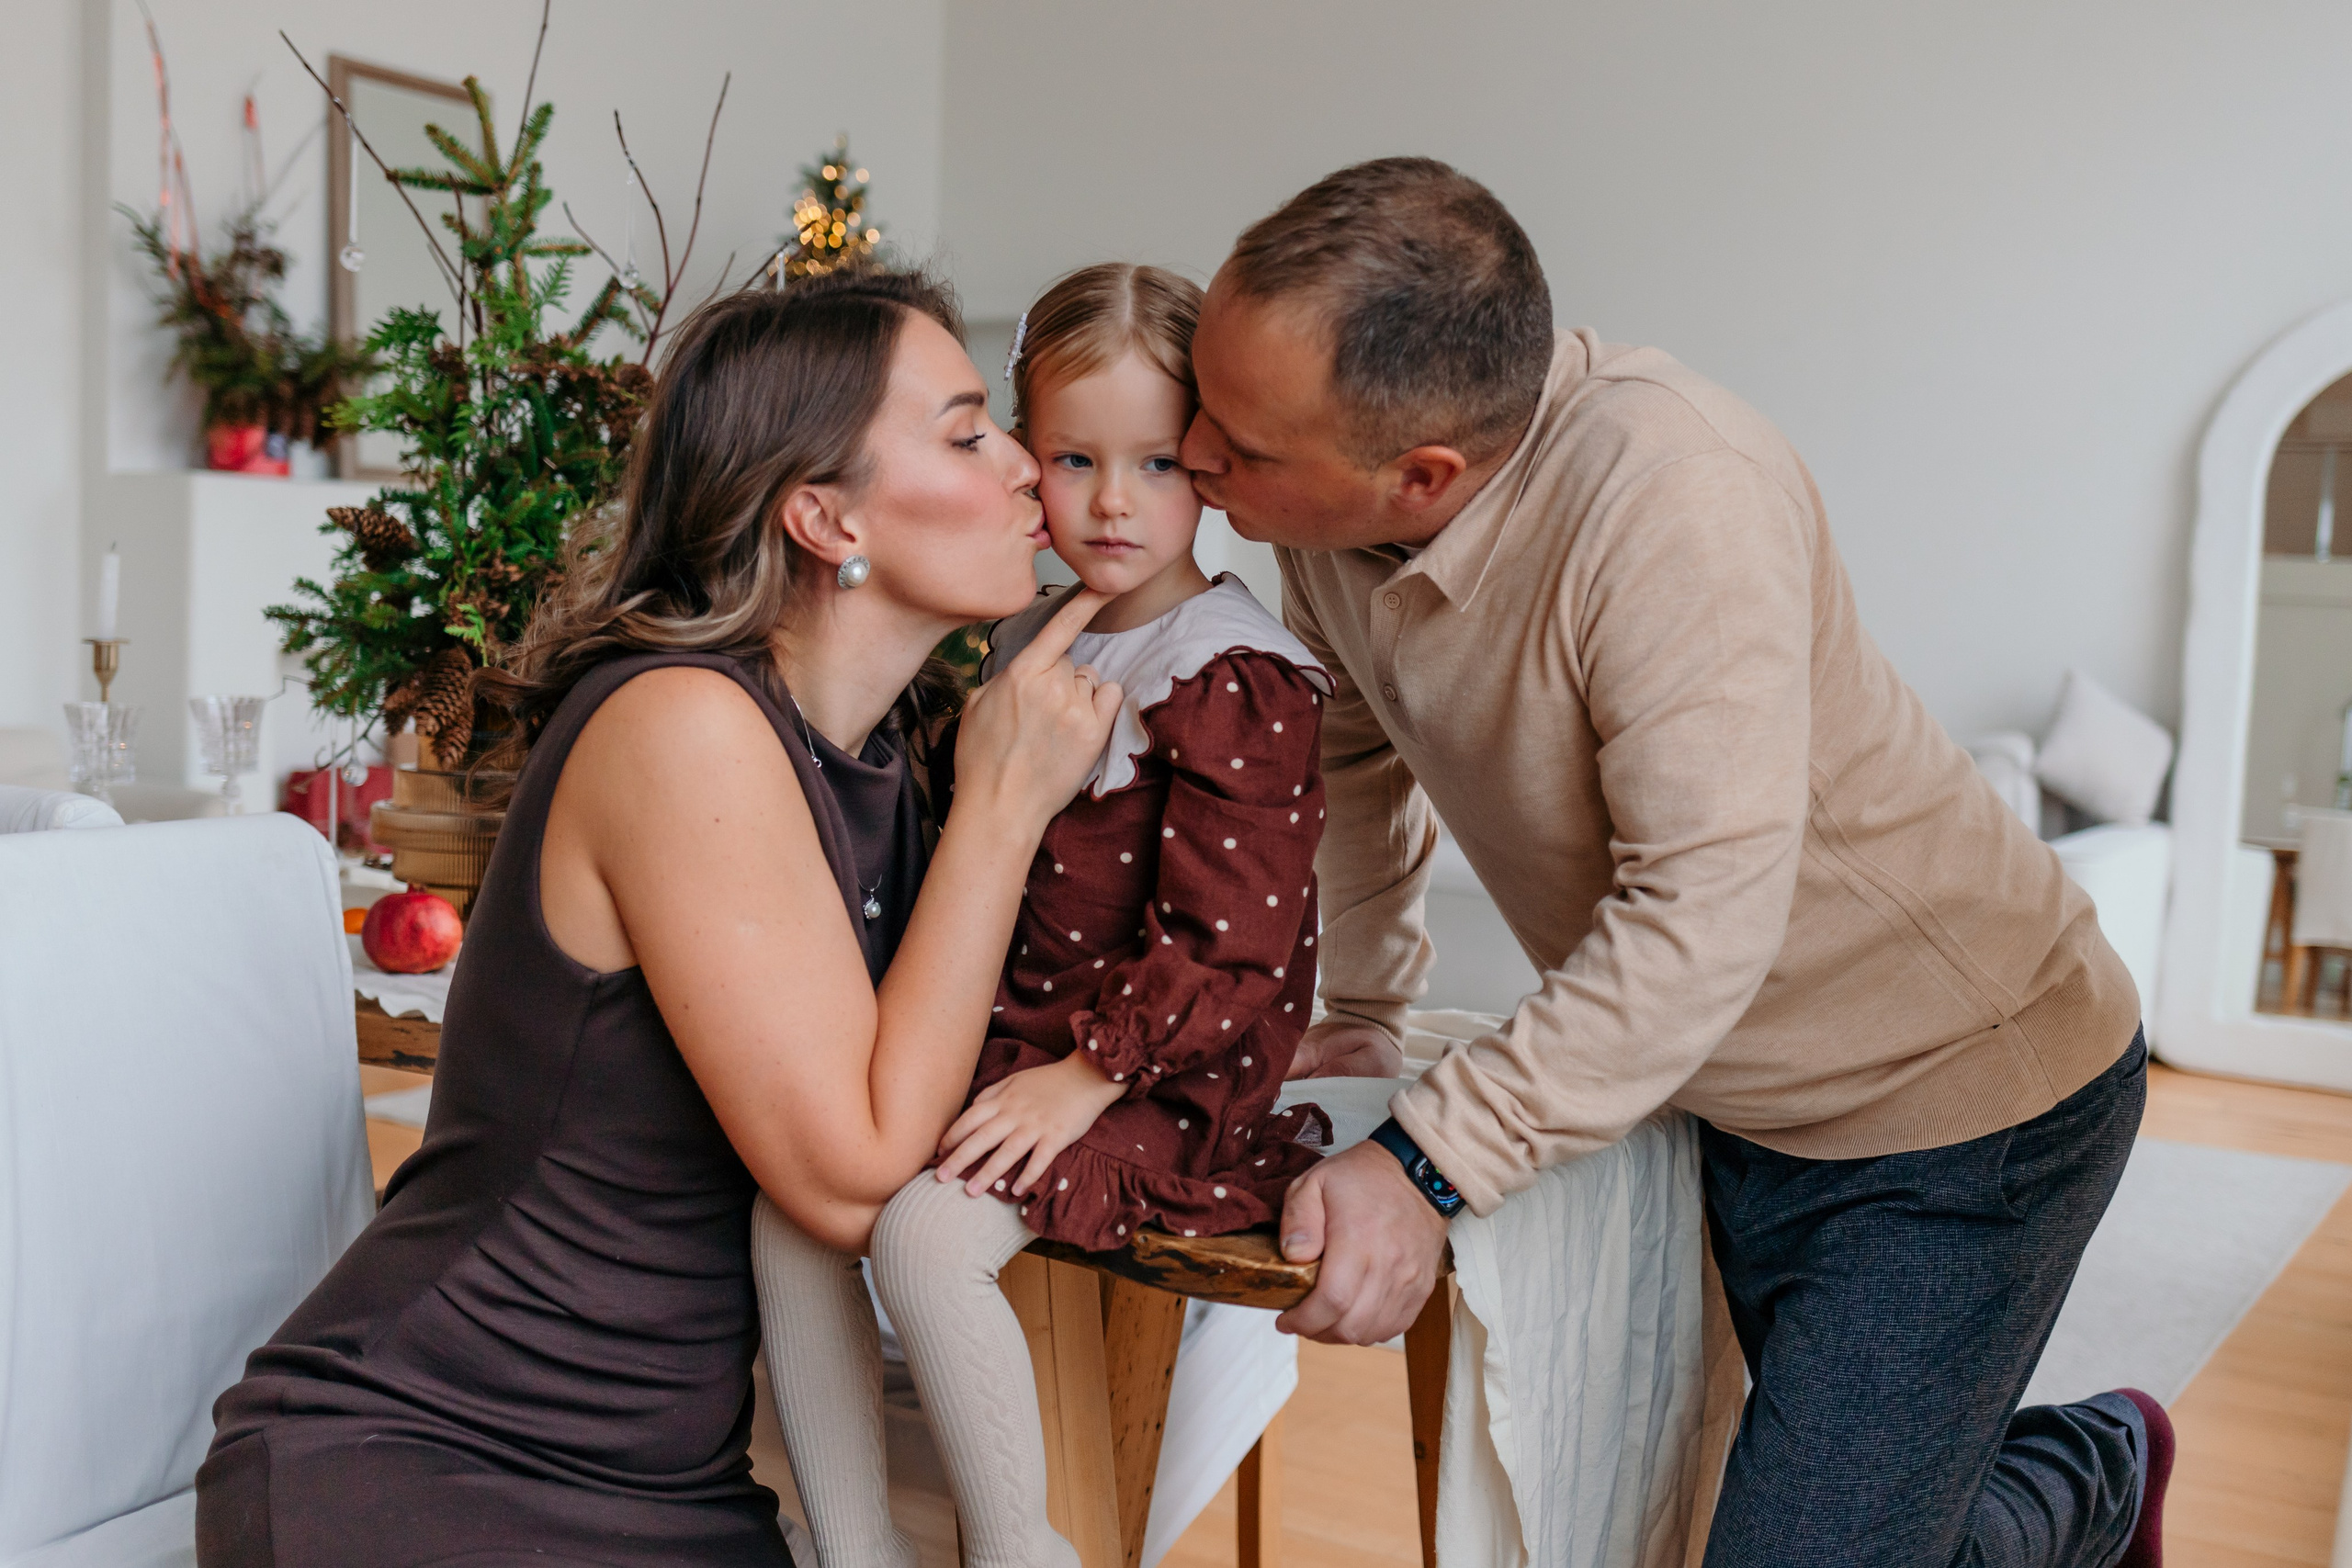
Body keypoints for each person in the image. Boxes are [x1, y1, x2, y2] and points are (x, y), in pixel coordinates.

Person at [1179, 157, 2174, 1568]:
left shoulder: (1676, 505)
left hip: (1961, 1104)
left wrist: (1427, 1158)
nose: (1194, 453)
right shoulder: (1328, 521)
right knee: (1791, 1523)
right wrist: (1363, 1009)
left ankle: (2097, 1464)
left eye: (1240, 441)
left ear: (1424, 473)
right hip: (1717, 1086)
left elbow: (1699, 923)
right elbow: (1353, 755)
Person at [193, 270, 1125, 1568]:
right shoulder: (680, 725)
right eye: (969, 434)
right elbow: (854, 1170)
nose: (1031, 469)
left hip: (671, 1489)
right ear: (820, 513)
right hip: (425, 1455)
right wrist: (1005, 815)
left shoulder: (891, 767)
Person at [753, 263, 1335, 1568]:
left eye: (1160, 464)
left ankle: (1022, 1549)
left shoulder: (1232, 675)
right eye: (1073, 458)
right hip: (1018, 1043)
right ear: (1023, 453)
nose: (1114, 504)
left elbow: (1235, 947)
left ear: (1217, 469)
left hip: (1152, 1075)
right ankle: (858, 1549)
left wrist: (1089, 1078)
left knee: (927, 1235)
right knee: (791, 1210)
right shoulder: (1023, 641)